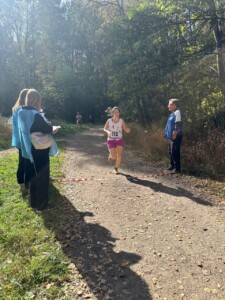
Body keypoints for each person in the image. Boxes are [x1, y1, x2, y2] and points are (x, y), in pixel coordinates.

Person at [18, 89, 59, 211]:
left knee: (32, 175)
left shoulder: (20, 112)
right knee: (42, 175)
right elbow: (46, 128)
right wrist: (54, 128)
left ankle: (34, 203)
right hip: (39, 147)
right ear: (37, 100)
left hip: (27, 147)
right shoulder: (35, 114)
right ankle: (42, 205)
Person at [103, 106, 131, 174]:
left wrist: (127, 130)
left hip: (119, 140)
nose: (116, 113)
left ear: (119, 113)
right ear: (112, 113)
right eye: (115, 112)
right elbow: (104, 128)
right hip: (111, 140)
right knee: (114, 156)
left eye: (117, 112)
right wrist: (108, 132)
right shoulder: (109, 121)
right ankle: (111, 156)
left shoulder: (121, 121)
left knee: (119, 155)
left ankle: (116, 168)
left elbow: (125, 128)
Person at [12, 89, 29, 190]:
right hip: (24, 139)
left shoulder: (16, 108)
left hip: (19, 139)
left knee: (23, 160)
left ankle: (23, 182)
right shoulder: (22, 109)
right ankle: (22, 182)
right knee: (24, 161)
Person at [164, 98, 183, 173]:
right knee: (170, 151)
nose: (168, 106)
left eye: (170, 104)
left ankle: (177, 168)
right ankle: (172, 165)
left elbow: (178, 124)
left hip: (176, 136)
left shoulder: (178, 112)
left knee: (175, 151)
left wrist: (174, 134)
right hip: (170, 136)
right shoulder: (173, 113)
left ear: (174, 105)